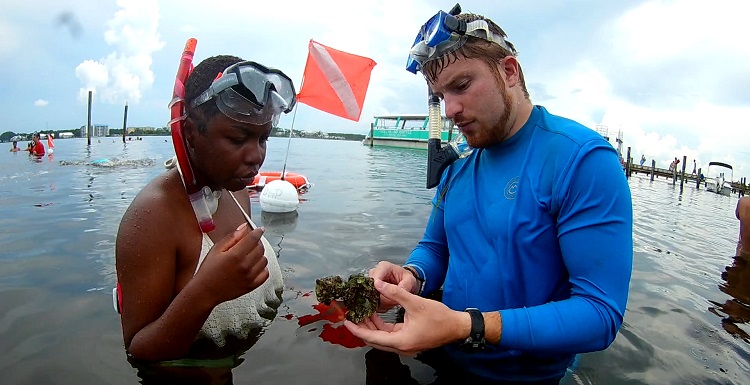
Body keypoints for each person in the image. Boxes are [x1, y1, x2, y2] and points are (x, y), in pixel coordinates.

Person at [345, 6, 633, 384]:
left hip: (527, 376)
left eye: (461, 86)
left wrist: (469, 325)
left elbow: (599, 315)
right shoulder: (459, 165)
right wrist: (411, 278)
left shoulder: (581, 160)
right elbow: (436, 247)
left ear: (509, 72)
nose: (450, 110)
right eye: (439, 95)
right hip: (445, 356)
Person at [115, 53, 296, 361]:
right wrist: (206, 292)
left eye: (263, 138)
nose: (256, 156)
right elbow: (139, 350)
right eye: (238, 139)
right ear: (190, 134)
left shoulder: (236, 192)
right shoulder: (154, 216)